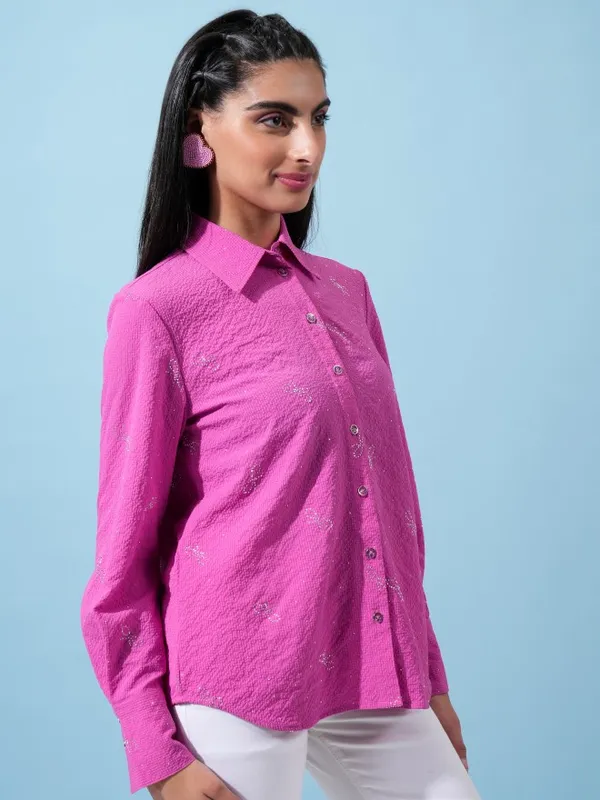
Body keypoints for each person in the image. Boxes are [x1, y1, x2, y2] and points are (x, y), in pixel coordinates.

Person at [80, 9, 482, 800]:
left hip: (373, 667)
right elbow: (122, 555)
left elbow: (391, 512)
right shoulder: (157, 309)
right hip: (237, 680)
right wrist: (158, 753)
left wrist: (428, 675)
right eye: (275, 120)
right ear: (201, 128)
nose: (307, 148)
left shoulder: (347, 291)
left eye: (318, 118)